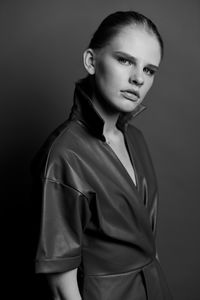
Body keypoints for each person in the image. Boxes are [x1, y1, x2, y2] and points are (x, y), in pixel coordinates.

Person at [32, 10, 173, 300]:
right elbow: (61, 285)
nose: (138, 79)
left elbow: (146, 244)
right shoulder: (65, 154)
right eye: (125, 60)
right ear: (91, 61)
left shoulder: (136, 139)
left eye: (149, 70)